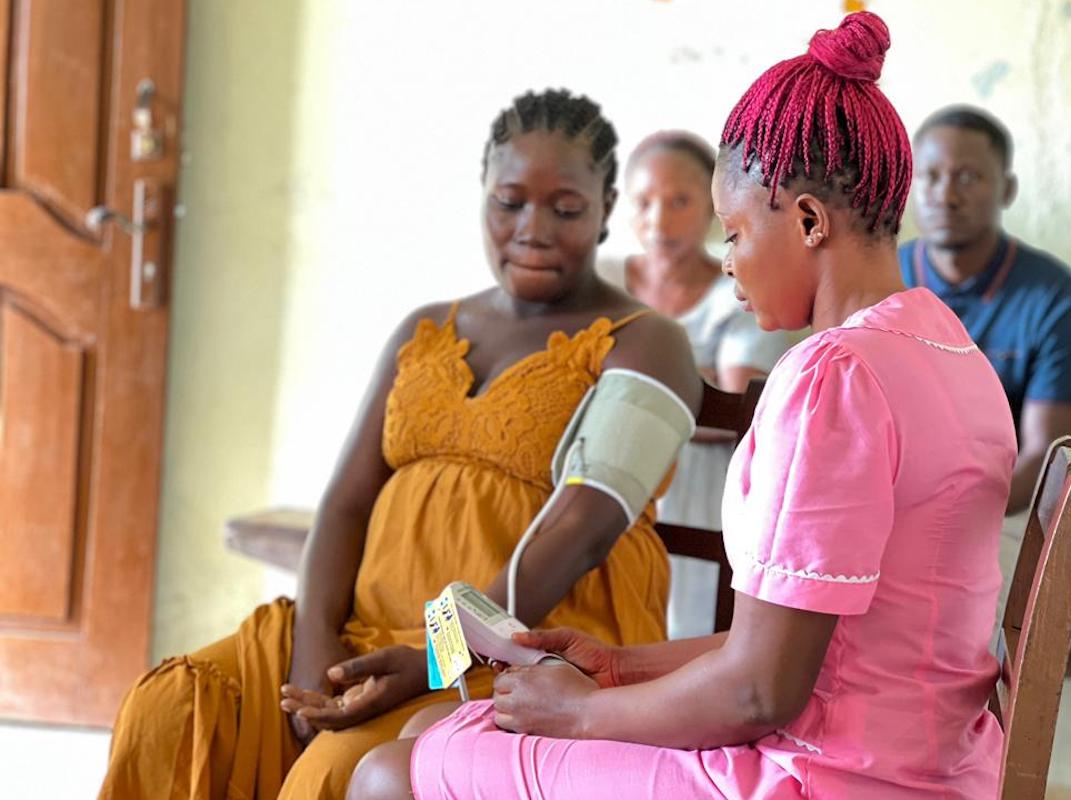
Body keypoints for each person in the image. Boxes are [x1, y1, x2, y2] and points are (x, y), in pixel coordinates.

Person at [348, 12, 1017, 799]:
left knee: (391, 771)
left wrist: (584, 714)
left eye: (732, 232)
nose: (727, 263)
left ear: (807, 220)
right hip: (928, 763)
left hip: (821, 775)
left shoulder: (832, 378)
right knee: (441, 731)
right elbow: (804, 652)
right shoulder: (948, 351)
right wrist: (617, 666)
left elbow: (761, 692)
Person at [99, 88, 701, 800]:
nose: (532, 229)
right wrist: (312, 649)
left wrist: (434, 659)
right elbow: (346, 503)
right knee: (169, 710)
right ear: (482, 197)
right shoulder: (426, 329)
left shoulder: (647, 341)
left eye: (565, 208)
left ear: (605, 209)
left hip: (519, 652)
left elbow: (582, 531)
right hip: (362, 631)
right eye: (509, 202)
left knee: (335, 770)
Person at [900, 105, 1071, 625]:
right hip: (883, 505)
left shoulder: (1056, 298)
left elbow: (1044, 456)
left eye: (968, 177)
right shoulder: (881, 280)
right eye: (930, 176)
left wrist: (943, 521)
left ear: (1007, 189)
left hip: (998, 517)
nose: (945, 195)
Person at [599, 130, 795, 638]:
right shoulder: (599, 278)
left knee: (680, 625)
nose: (659, 220)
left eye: (680, 201)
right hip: (601, 484)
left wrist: (615, 385)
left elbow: (732, 411)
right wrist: (685, 383)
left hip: (697, 493)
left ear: (711, 208)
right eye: (644, 202)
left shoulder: (737, 290)